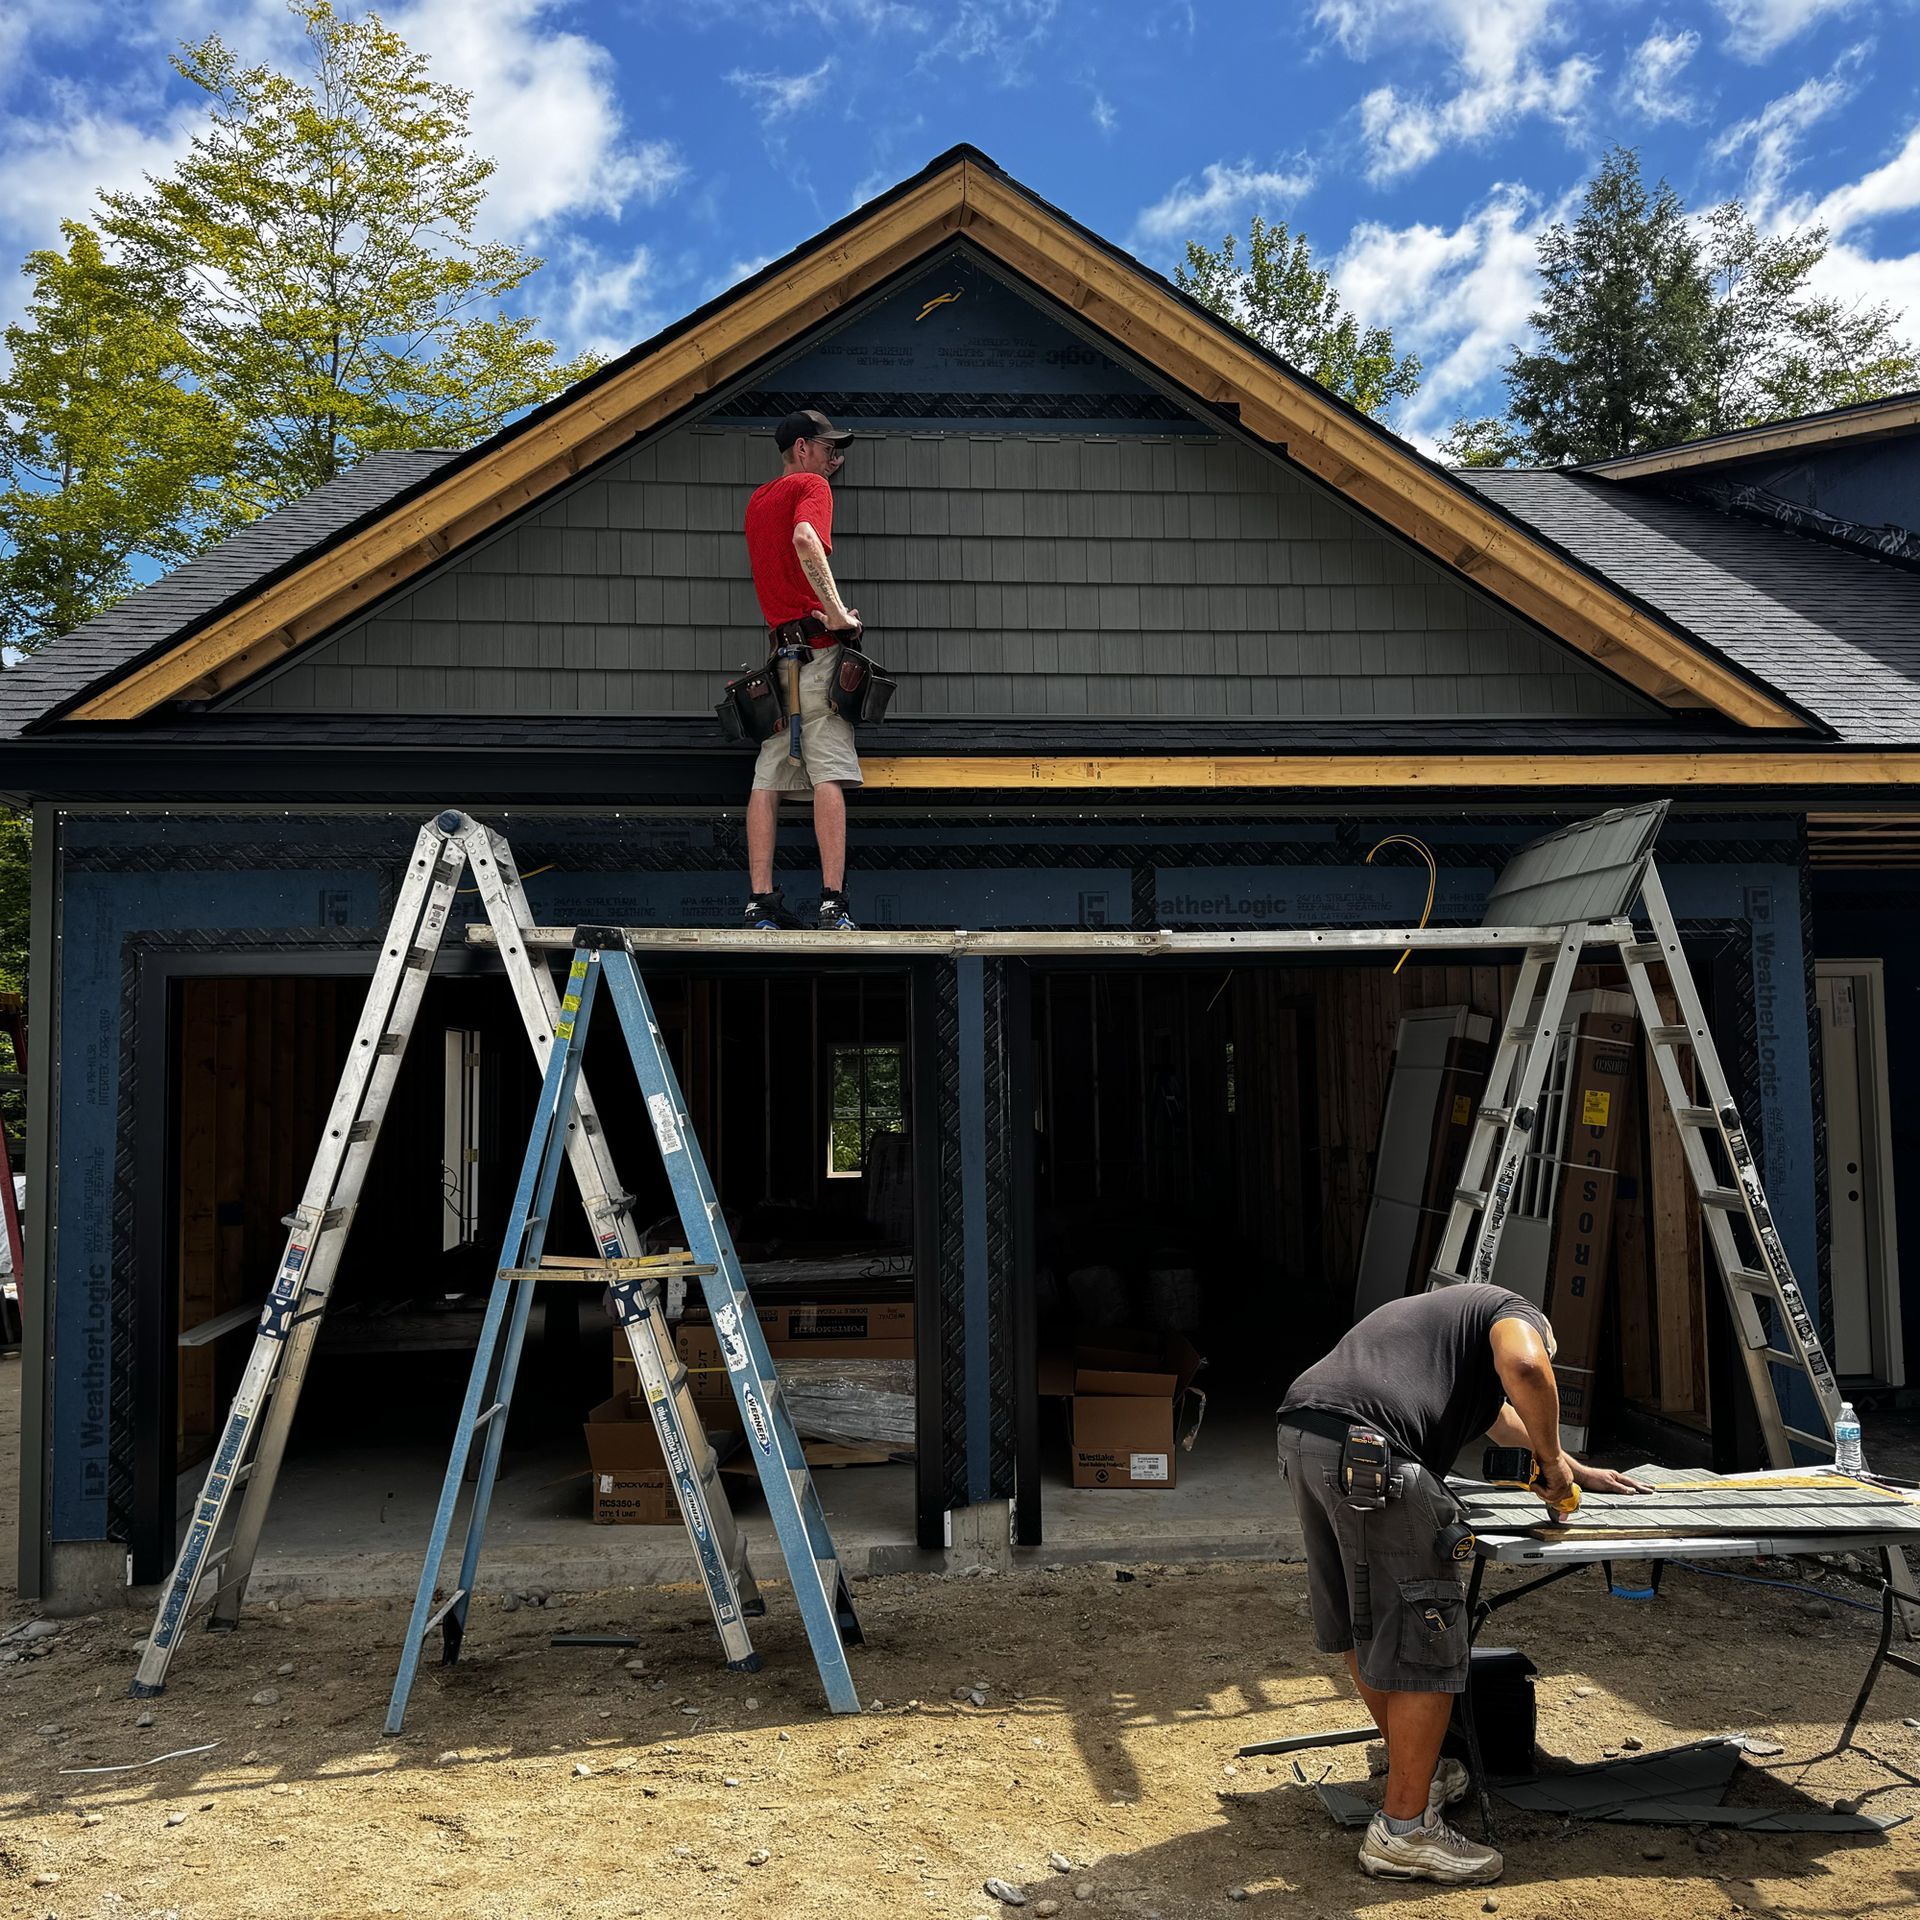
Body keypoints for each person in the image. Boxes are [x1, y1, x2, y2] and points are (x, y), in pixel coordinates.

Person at [1275, 1284, 1649, 1885]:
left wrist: (1573, 1467)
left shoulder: (1440, 1338)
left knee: (1359, 1620)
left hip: (1306, 1435)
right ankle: (1403, 1832)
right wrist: (1551, 1462)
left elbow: (1507, 1422)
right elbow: (1526, 1366)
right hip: (1371, 1452)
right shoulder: (1513, 1314)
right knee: (1429, 1638)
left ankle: (1422, 1774)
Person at [740, 407, 865, 932]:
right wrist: (838, 615)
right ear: (801, 449)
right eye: (827, 447)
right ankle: (833, 902)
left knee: (767, 778)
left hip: (778, 662)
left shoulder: (757, 500)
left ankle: (760, 903)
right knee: (829, 771)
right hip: (815, 651)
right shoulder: (809, 486)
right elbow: (805, 541)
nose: (834, 458)